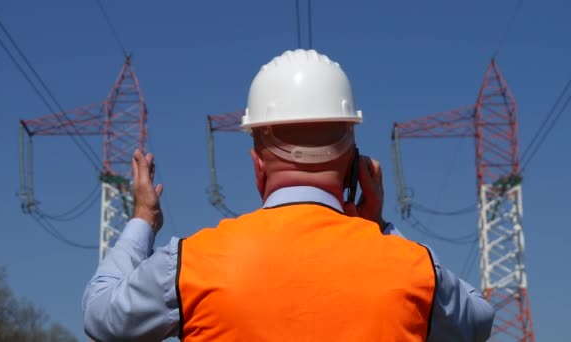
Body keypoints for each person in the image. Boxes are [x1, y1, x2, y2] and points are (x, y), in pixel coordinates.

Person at [82, 49, 495, 341]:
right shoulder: (413, 269)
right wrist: (379, 227)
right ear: (355, 166)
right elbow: (478, 321)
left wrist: (142, 219)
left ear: (257, 165)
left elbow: (100, 317)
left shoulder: (190, 264)